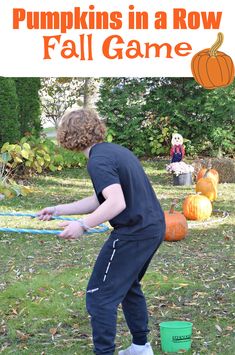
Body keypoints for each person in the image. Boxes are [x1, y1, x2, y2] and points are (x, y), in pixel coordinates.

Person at [37, 109, 166, 355]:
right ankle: (141, 347)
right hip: (152, 228)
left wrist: (83, 226)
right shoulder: (113, 152)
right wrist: (58, 209)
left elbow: (116, 203)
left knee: (99, 297)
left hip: (133, 233)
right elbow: (102, 199)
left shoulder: (98, 160)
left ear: (67, 136)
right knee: (128, 286)